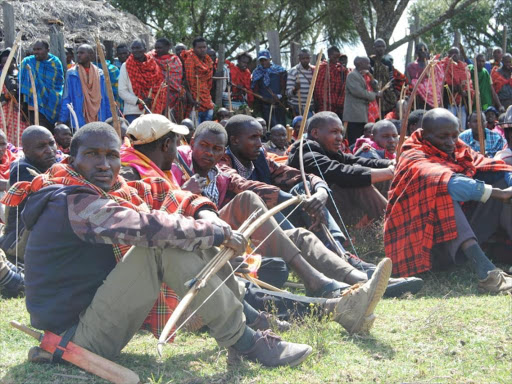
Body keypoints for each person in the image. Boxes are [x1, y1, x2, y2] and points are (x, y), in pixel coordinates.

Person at [4, 121, 392, 366]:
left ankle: (272, 319)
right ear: (72, 158)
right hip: (74, 339)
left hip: (97, 320)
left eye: (110, 155)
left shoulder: (102, 186)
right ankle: (247, 340)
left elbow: (156, 193)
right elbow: (145, 224)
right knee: (166, 242)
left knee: (182, 236)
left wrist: (205, 213)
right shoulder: (70, 200)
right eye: (92, 155)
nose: (104, 164)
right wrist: (217, 231)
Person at [385, 108, 512, 293]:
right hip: (424, 245)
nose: (451, 142)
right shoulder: (413, 156)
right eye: (443, 137)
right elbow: (451, 184)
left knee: (499, 179)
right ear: (425, 134)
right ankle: (487, 273)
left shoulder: (458, 148)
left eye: (454, 135)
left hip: (455, 238)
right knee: (441, 191)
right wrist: (499, 193)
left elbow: (494, 167)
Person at [287, 111, 393, 228]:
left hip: (335, 208)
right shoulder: (306, 152)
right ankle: (396, 225)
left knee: (382, 177)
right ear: (315, 133)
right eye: (334, 132)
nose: (340, 138)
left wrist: (390, 163)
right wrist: (389, 172)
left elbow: (355, 160)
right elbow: (340, 172)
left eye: (341, 133)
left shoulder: (328, 150)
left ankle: (378, 228)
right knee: (357, 183)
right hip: (311, 215)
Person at [0, 126, 57, 263]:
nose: (49, 151)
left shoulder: (48, 167)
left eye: (51, 143)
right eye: (41, 147)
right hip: (18, 246)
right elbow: (55, 199)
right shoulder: (23, 170)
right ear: (26, 151)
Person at [58, 44, 112, 129]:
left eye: (82, 53)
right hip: (79, 119)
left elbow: (106, 98)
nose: (78, 55)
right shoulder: (72, 74)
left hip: (99, 117)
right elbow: (66, 98)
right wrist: (62, 120)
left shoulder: (100, 74)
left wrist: (110, 120)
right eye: (77, 53)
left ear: (90, 55)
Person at [19, 40, 64, 131]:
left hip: (52, 102)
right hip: (34, 104)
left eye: (39, 49)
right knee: (40, 132)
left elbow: (58, 84)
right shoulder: (28, 62)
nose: (36, 52)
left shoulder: (55, 62)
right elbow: (22, 83)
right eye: (34, 49)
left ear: (48, 49)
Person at [118, 39, 166, 123]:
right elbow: (122, 91)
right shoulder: (126, 66)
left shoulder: (153, 65)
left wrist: (152, 98)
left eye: (138, 48)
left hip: (152, 110)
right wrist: (139, 101)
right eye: (133, 48)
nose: (135, 50)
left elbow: (159, 86)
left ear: (145, 48)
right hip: (133, 112)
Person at [343, 57, 381, 145]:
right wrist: (375, 95)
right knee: (354, 141)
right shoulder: (352, 75)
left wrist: (371, 77)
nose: (369, 65)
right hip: (355, 116)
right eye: (367, 63)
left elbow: (376, 88)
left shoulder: (365, 75)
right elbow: (359, 92)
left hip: (364, 115)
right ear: (359, 64)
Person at [182, 37, 215, 124]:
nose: (203, 50)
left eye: (204, 47)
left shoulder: (208, 61)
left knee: (207, 128)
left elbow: (209, 83)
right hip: (194, 101)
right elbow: (188, 84)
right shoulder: (190, 60)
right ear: (194, 48)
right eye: (199, 48)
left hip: (207, 100)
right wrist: (192, 100)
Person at [251, 49, 287, 127]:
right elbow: (255, 90)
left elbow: (284, 86)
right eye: (261, 60)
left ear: (270, 59)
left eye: (265, 60)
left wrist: (279, 96)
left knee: (281, 126)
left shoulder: (280, 71)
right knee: (269, 127)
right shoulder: (257, 72)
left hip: (279, 104)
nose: (263, 62)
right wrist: (266, 99)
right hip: (265, 105)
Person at [0, 48, 29, 143]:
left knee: (19, 136)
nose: (7, 64)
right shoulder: (1, 77)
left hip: (18, 111)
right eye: (4, 62)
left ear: (15, 62)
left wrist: (23, 104)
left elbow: (26, 93)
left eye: (10, 61)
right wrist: (7, 96)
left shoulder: (22, 75)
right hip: (4, 112)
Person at [150, 38, 185, 116]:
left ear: (167, 47)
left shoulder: (175, 61)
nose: (157, 50)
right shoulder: (151, 58)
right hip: (155, 93)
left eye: (160, 48)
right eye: (156, 48)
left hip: (171, 94)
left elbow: (176, 79)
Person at [443, 47, 474, 129]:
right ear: (448, 55)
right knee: (450, 125)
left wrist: (465, 92)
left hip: (462, 102)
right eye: (452, 53)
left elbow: (468, 83)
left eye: (456, 53)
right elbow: (444, 82)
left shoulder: (464, 67)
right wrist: (458, 89)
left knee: (462, 126)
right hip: (449, 101)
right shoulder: (445, 65)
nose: (454, 55)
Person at [406, 43, 443, 110]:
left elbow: (438, 81)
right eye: (421, 50)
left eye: (425, 49)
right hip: (419, 99)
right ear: (416, 52)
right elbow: (415, 80)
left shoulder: (434, 65)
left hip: (434, 98)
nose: (423, 52)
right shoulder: (412, 66)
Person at [314, 46, 348, 118]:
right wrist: (324, 100)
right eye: (334, 57)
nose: (336, 60)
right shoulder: (322, 68)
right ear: (329, 56)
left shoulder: (341, 70)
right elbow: (318, 88)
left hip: (337, 106)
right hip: (324, 104)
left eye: (338, 57)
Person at [370, 39, 397, 116]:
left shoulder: (387, 62)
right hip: (373, 92)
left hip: (386, 93)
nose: (381, 48)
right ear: (374, 48)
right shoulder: (370, 61)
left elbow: (391, 78)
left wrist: (392, 91)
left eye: (383, 46)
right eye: (378, 46)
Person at [287, 49, 315, 117]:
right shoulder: (293, 71)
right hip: (297, 107)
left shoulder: (313, 71)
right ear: (299, 59)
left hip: (310, 107)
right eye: (303, 58)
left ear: (310, 58)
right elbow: (288, 93)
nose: (305, 60)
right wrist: (295, 89)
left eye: (307, 58)